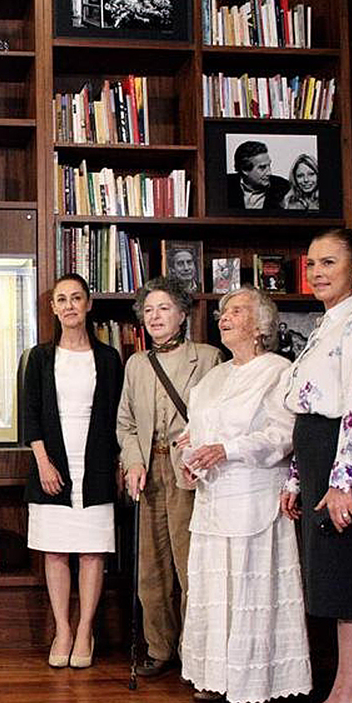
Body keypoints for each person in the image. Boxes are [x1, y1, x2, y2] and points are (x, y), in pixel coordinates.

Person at [178, 286, 311, 703]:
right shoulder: (211, 378)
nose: (225, 317)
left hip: (254, 497)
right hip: (213, 500)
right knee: (216, 590)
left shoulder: (278, 371)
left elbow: (283, 435)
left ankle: (257, 685)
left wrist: (228, 449)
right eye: (223, 311)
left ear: (260, 326)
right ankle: (216, 678)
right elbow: (194, 433)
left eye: (236, 311)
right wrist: (190, 460)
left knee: (253, 590)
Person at [281, 228, 352, 703]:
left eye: (329, 263)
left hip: (344, 464)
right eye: (312, 264)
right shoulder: (326, 324)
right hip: (318, 456)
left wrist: (342, 481)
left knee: (350, 588)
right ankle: (343, 701)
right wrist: (297, 476)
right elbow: (306, 407)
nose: (317, 273)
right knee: (333, 588)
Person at [116, 278, 220, 677]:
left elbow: (218, 418)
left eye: (163, 308)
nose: (155, 316)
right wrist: (133, 462)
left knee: (190, 565)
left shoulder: (208, 358)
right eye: (148, 310)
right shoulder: (136, 364)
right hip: (148, 472)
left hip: (189, 473)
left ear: (182, 314)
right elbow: (126, 423)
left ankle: (194, 653)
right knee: (151, 569)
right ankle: (159, 647)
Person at [23, 274, 123, 669]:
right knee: (56, 551)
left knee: (92, 552)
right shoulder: (39, 358)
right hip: (52, 464)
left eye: (76, 298)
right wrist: (43, 462)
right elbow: (30, 415)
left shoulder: (109, 358)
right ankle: (62, 629)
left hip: (95, 464)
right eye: (61, 299)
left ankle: (85, 630)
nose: (69, 306)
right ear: (53, 308)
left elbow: (118, 416)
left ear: (88, 304)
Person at [226, 140, 290, 210]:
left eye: (269, 165)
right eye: (262, 167)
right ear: (245, 170)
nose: (269, 173)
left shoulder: (284, 188)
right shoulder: (225, 184)